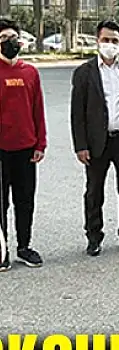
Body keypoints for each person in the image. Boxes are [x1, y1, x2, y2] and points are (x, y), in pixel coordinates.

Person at [70, 19, 119, 257]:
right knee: (94, 191)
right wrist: (80, 146)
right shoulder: (84, 72)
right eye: (105, 40)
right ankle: (94, 236)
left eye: (114, 40)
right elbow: (77, 113)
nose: (110, 44)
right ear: (97, 41)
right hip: (96, 143)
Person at [0, 18, 47, 270]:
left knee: (25, 200)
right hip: (1, 150)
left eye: (13, 38)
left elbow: (38, 109)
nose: (9, 42)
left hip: (26, 148)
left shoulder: (30, 72)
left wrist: (40, 143)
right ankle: (2, 250)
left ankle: (24, 247)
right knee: (1, 203)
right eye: (3, 39)